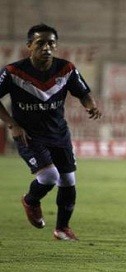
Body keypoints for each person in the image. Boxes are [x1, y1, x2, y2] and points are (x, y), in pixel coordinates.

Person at [0, 24, 102, 240]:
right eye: (40, 43)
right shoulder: (12, 72)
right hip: (28, 134)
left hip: (59, 134)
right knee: (48, 176)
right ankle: (30, 200)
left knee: (67, 181)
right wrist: (12, 124)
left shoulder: (66, 69)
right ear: (29, 45)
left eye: (51, 43)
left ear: (56, 46)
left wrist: (90, 105)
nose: (46, 47)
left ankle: (62, 228)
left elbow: (83, 92)